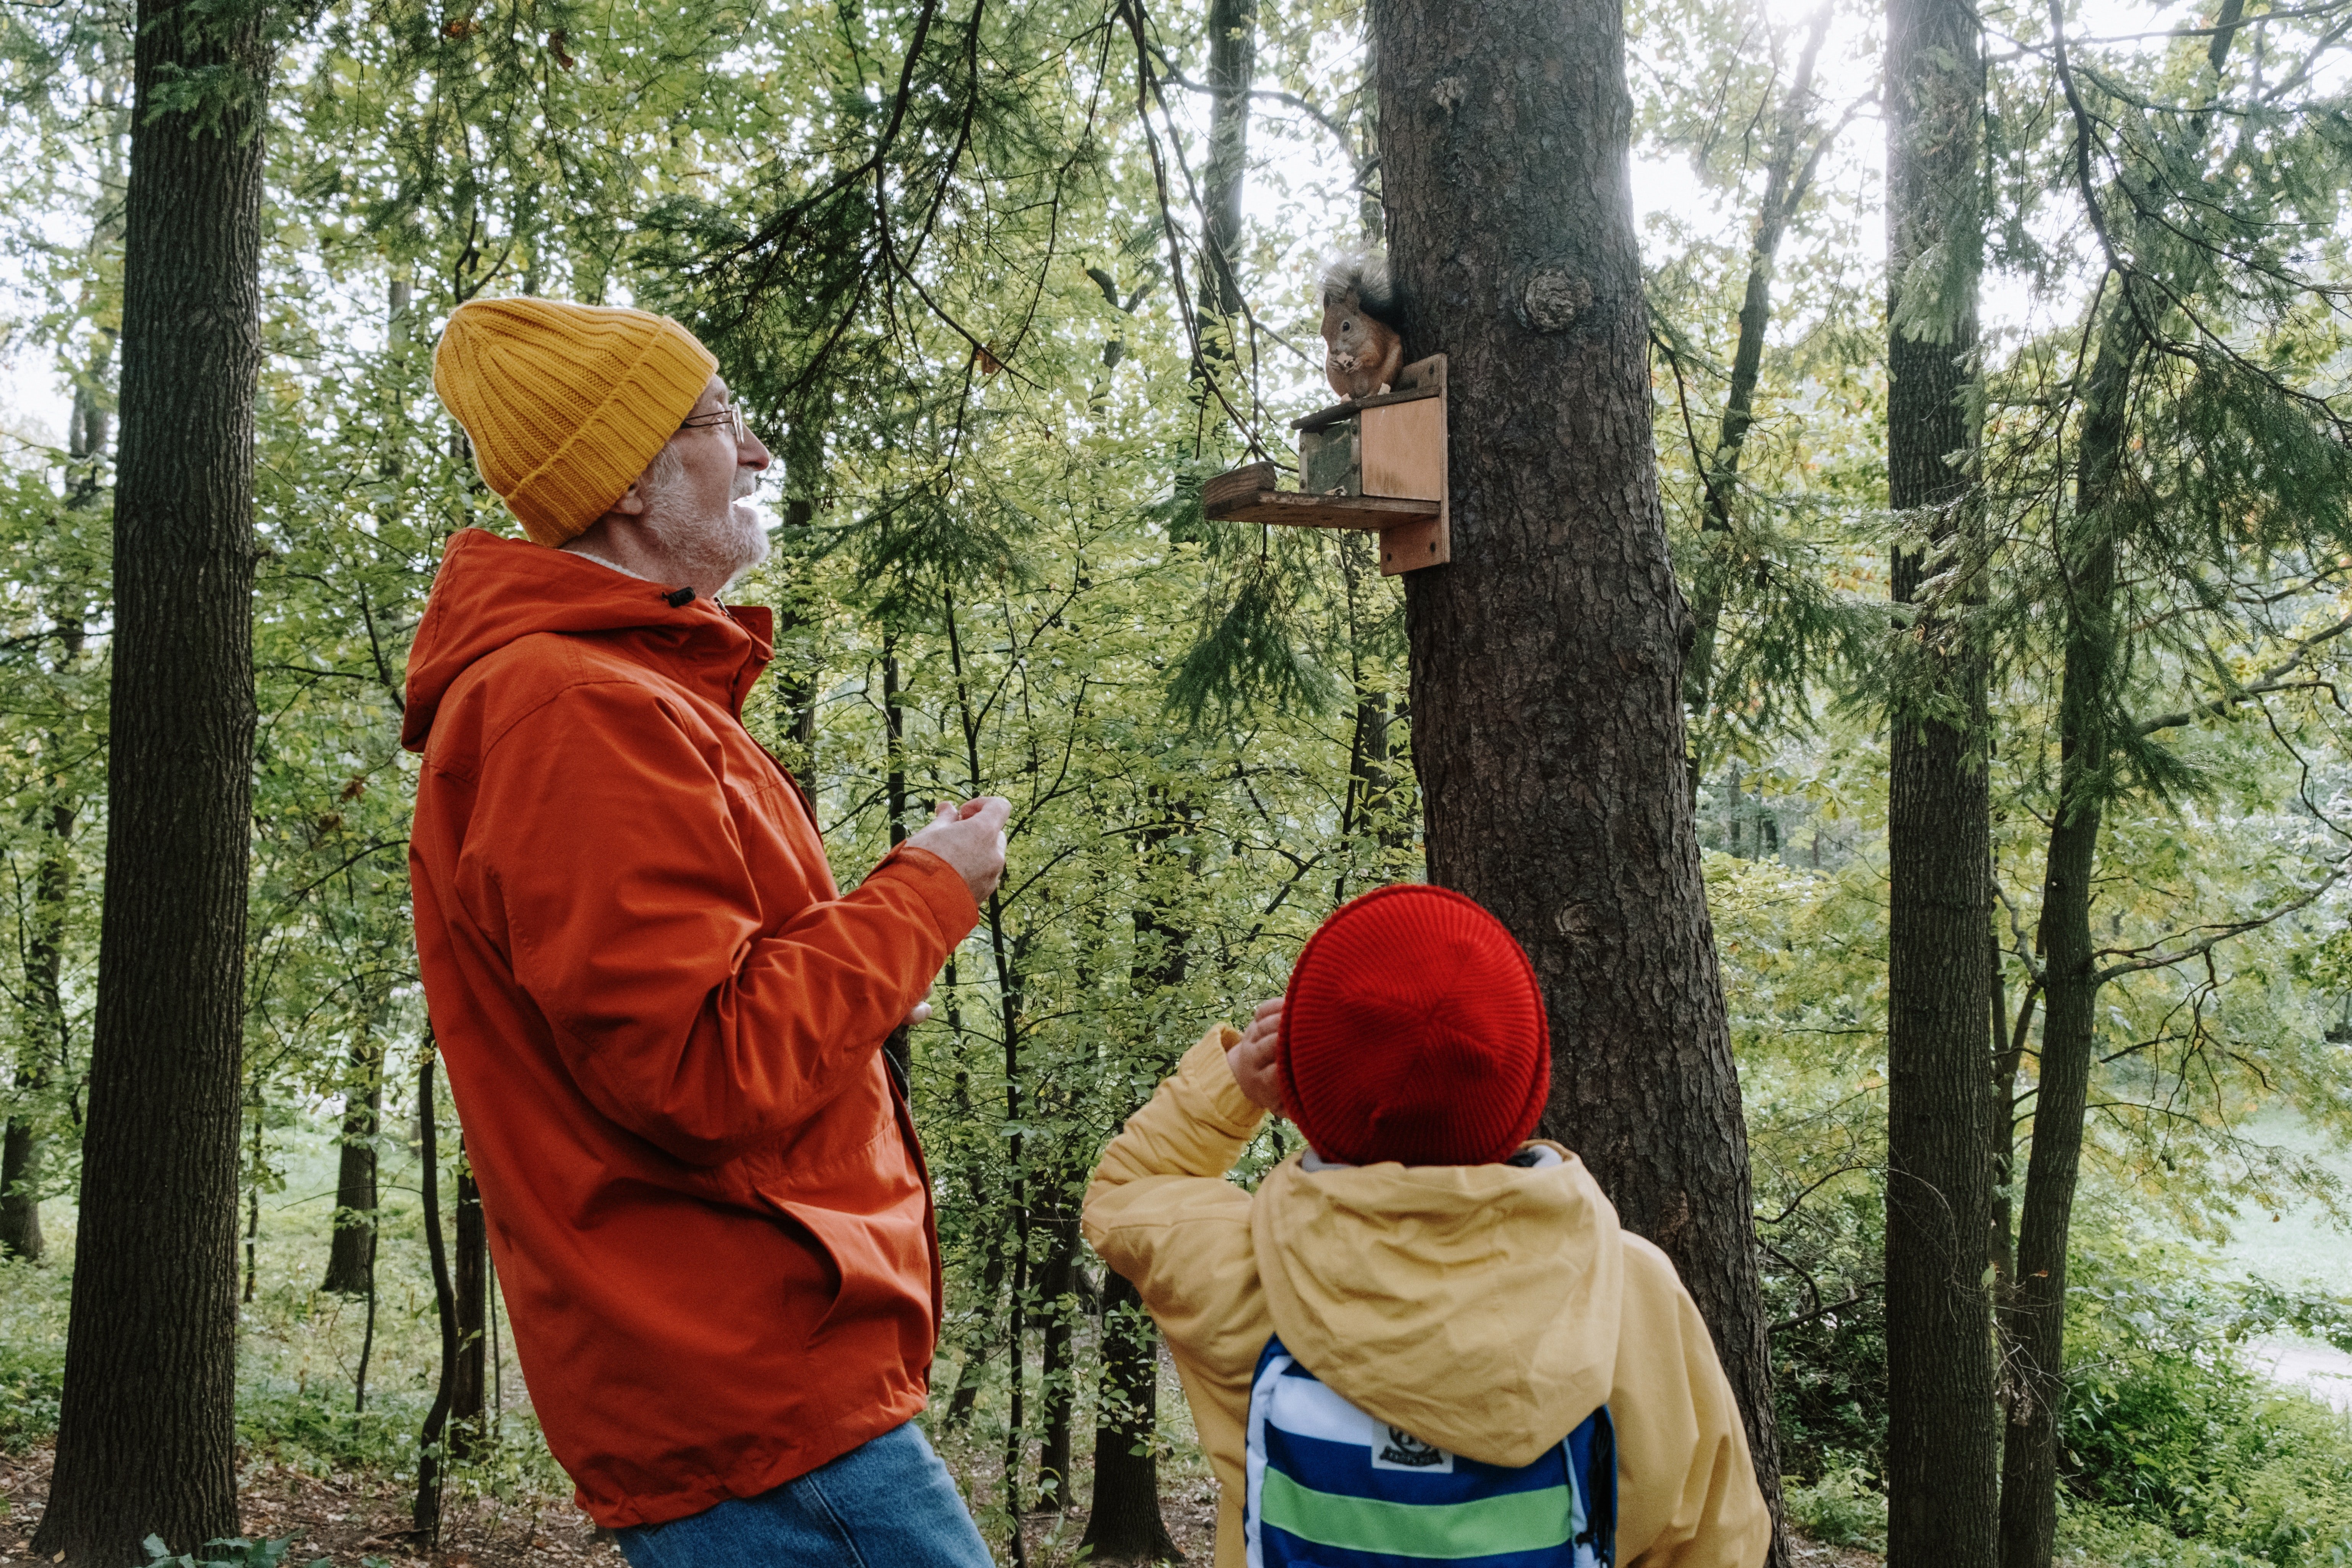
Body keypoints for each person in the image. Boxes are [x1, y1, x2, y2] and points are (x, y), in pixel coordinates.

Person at [406, 295, 1006, 1563]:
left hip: (764, 1383)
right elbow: (706, 1068)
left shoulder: (620, 691)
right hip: (754, 1399)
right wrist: (929, 893)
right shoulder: (569, 709)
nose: (757, 453)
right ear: (630, 477)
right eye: (721, 421)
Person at [1083, 883, 1772, 1568]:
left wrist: (1239, 1078)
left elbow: (1125, 1189)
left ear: (1304, 1091)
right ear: (1527, 1082)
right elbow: (1718, 1544)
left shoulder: (1240, 1271)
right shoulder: (1632, 1292)